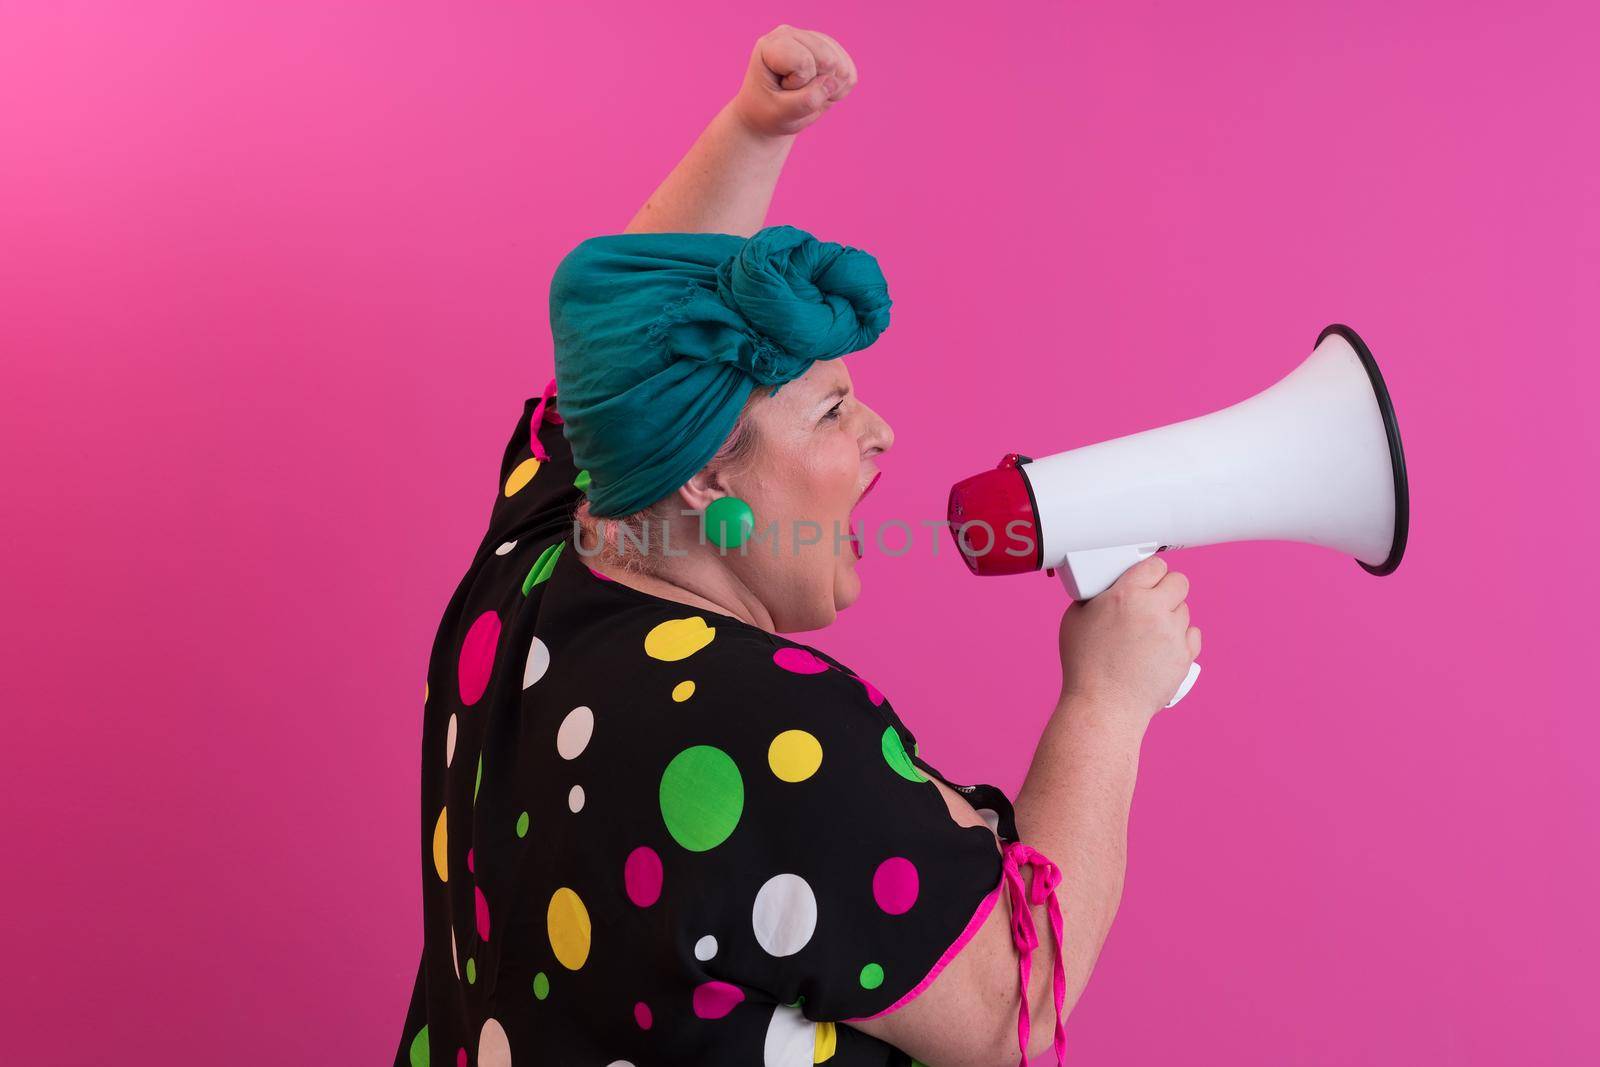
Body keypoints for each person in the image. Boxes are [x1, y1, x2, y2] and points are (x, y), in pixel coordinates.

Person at [394, 25, 1200, 1067]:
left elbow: (616, 358)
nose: (879, 436)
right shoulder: (766, 725)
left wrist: (751, 132)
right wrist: (1107, 700)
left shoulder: (534, 562)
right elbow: (1009, 1006)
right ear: (707, 473)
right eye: (828, 413)